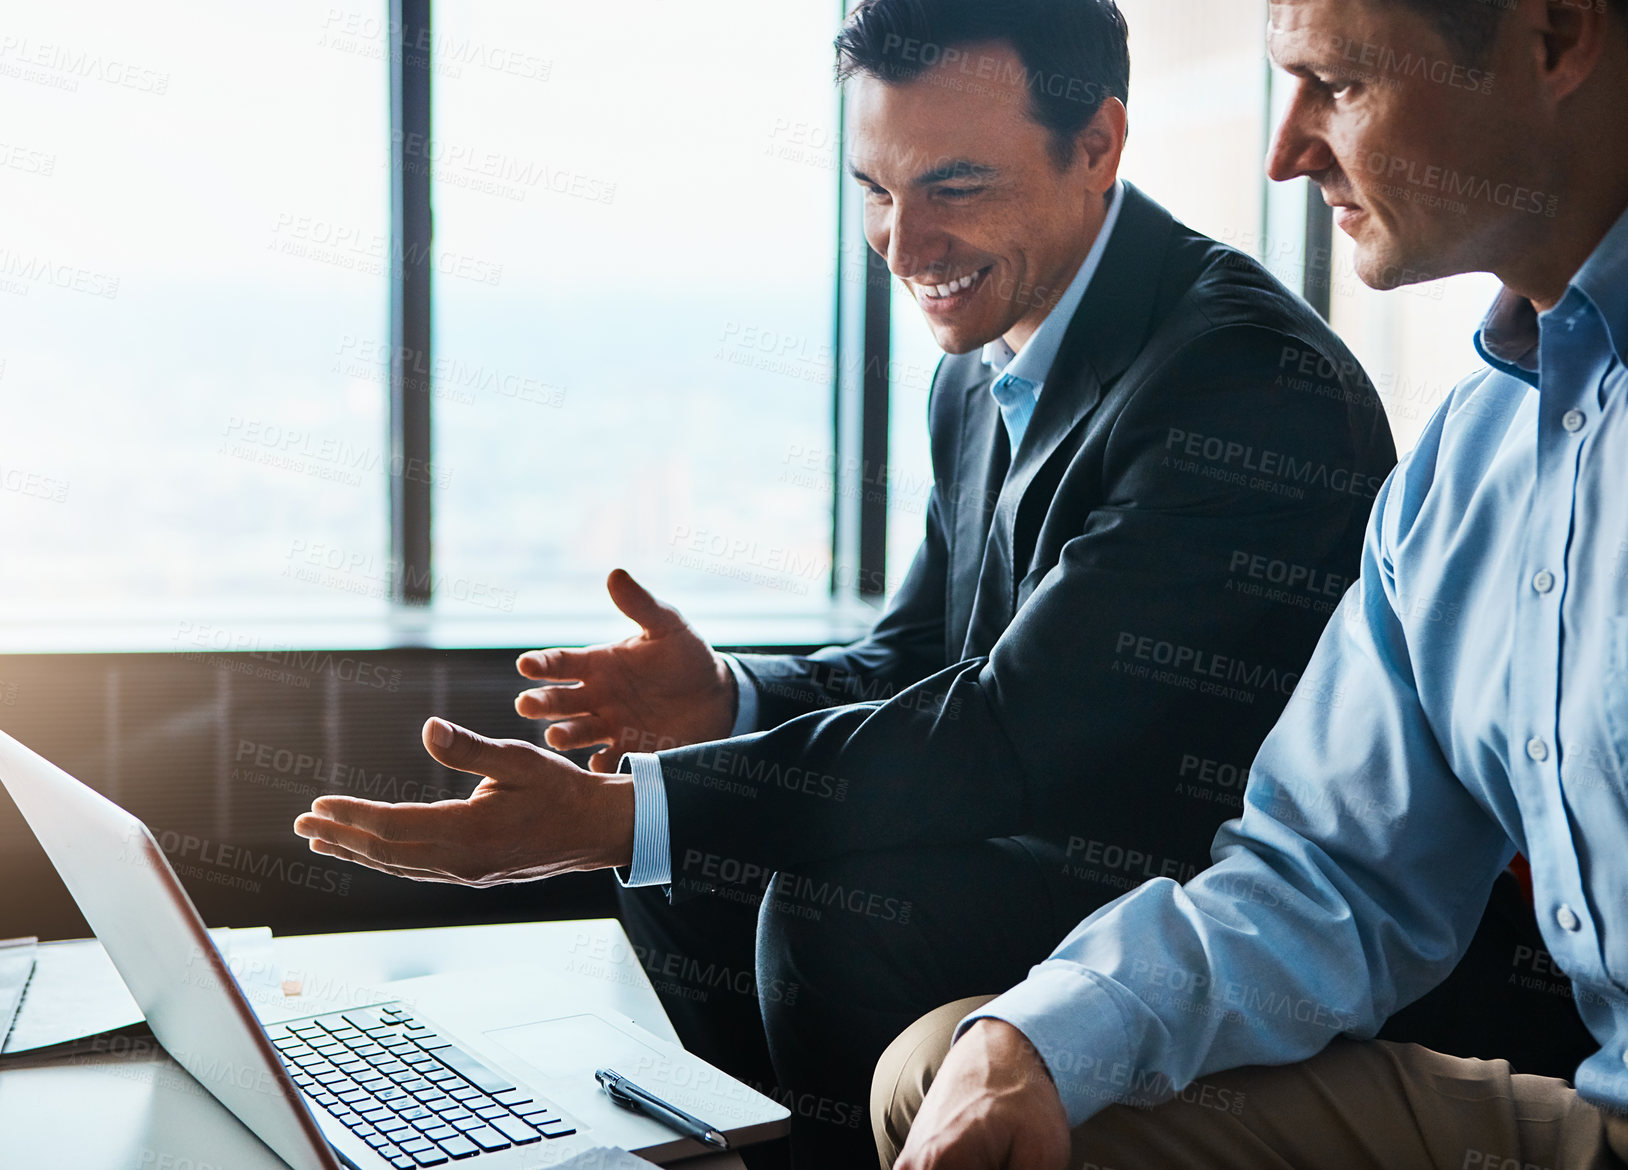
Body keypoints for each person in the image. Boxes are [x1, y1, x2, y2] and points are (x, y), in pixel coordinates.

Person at [294, 1, 1398, 1164]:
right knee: (690, 847)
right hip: (1044, 826)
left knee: (816, 905)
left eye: (954, 188)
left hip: (1208, 904)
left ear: (1097, 147)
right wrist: (727, 702)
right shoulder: (985, 360)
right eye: (875, 189)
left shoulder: (1239, 379)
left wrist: (622, 817)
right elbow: (919, 659)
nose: (902, 246)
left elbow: (1011, 730)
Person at [878, 0, 1628, 1167]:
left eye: (1338, 83)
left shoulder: (1236, 372)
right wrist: (1033, 1039)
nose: (1286, 152)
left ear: (1554, 39)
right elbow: (1329, 876)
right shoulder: (1472, 459)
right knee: (951, 1066)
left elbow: (1011, 722)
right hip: (1599, 1113)